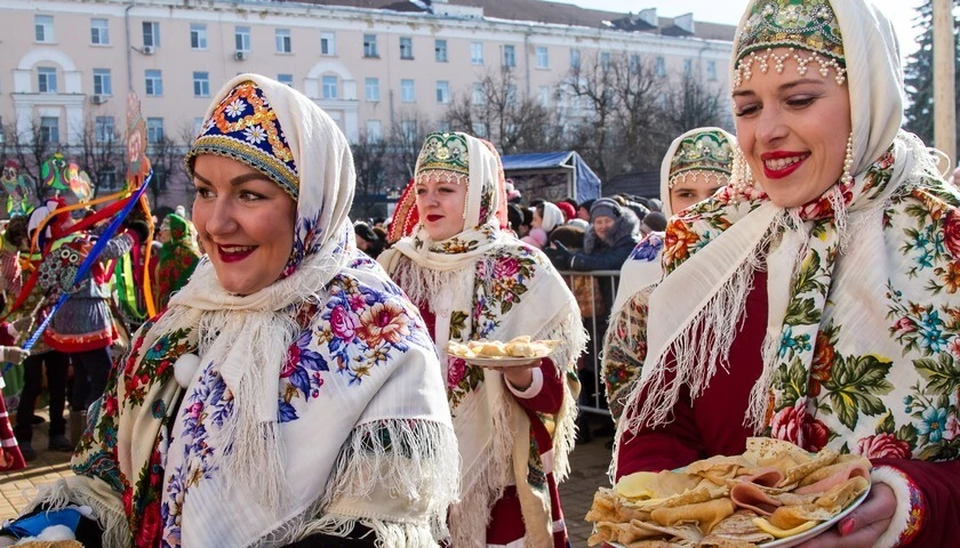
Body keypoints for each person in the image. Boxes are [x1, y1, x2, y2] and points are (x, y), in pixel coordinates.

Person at [0, 75, 458, 547]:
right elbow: (109, 480)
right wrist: (46, 531)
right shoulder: (183, 318)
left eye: (250, 194)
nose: (216, 224)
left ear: (311, 206)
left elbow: (376, 527)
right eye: (203, 191)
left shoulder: (378, 335)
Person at [615, 1, 960, 546]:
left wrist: (905, 498)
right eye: (748, 109)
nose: (767, 131)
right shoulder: (711, 243)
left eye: (799, 100)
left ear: (867, 96)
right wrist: (665, 510)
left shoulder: (945, 244)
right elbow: (658, 421)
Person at [379, 131, 585, 547]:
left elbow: (560, 389)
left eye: (446, 189)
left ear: (480, 195)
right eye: (422, 189)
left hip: (496, 482)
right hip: (411, 470)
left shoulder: (521, 268)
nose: (430, 201)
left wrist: (524, 375)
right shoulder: (396, 266)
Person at [601, 128, 735, 421]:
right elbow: (624, 365)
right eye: (686, 194)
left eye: (718, 193)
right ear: (667, 197)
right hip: (665, 434)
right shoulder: (647, 259)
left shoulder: (769, 250)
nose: (701, 206)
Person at [545, 197, 640, 272]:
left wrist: (571, 260)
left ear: (618, 222)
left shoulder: (629, 242)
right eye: (599, 222)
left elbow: (608, 262)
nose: (603, 226)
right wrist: (565, 256)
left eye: (608, 221)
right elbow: (591, 258)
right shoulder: (594, 242)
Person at [154, 213, 201, 309]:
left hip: (186, 307)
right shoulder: (167, 252)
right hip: (167, 305)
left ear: (174, 232)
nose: (161, 233)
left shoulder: (190, 254)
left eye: (165, 229)